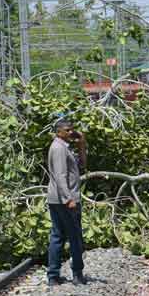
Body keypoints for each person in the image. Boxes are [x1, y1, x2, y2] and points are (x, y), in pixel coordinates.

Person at [46, 119, 87, 286]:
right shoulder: (58, 148)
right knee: (74, 236)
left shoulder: (65, 147)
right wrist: (68, 199)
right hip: (64, 199)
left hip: (60, 198)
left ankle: (53, 276)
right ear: (58, 132)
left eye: (72, 130)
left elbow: (82, 165)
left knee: (58, 236)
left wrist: (82, 144)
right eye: (67, 130)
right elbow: (60, 175)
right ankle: (77, 274)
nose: (71, 133)